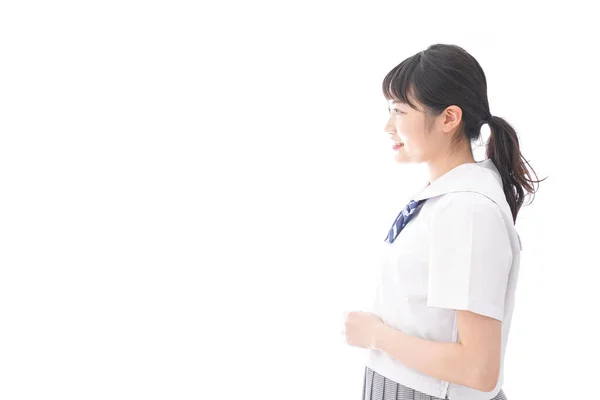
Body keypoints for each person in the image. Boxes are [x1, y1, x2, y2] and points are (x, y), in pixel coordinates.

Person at [342, 44, 545, 400]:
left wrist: (375, 335)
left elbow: (478, 369)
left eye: (400, 111)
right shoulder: (446, 199)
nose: (389, 126)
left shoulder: (467, 210)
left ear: (449, 118)